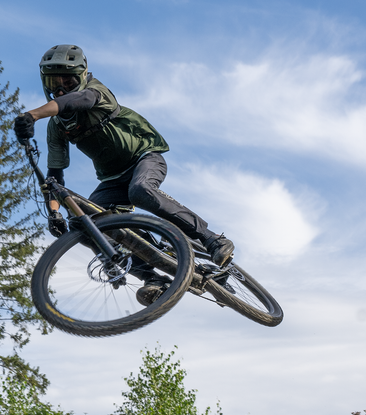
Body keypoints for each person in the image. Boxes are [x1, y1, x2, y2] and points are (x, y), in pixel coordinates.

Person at [14, 44, 234, 305]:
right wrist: (54, 213)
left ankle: (211, 240)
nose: (61, 88)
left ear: (82, 77)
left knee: (140, 191)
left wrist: (33, 114)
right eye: (54, 82)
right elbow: (55, 176)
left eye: (69, 80)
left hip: (145, 158)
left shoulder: (95, 91)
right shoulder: (57, 128)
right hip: (112, 179)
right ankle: (152, 278)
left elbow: (77, 100)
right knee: (84, 223)